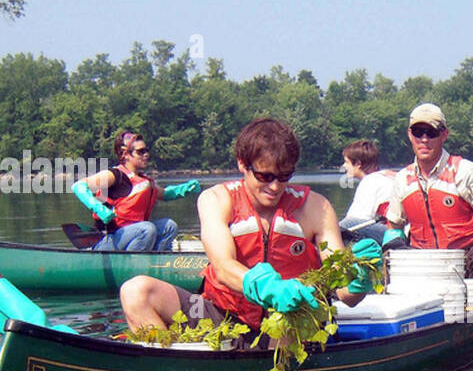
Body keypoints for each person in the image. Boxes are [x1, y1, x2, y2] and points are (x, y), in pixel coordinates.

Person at [120, 117, 363, 335]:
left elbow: (344, 293)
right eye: (265, 176)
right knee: (135, 292)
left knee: (288, 326)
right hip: (222, 315)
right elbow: (224, 267)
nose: (275, 186)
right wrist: (266, 287)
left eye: (284, 176)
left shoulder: (316, 207)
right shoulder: (216, 199)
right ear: (242, 165)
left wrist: (357, 281)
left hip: (290, 321)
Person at [382, 104, 473, 292]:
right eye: (418, 132)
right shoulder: (402, 180)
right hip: (424, 260)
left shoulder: (467, 172)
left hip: (467, 256)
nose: (424, 139)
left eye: (431, 133)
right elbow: (393, 226)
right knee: (394, 254)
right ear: (409, 134)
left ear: (444, 135)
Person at [72, 129, 199, 252]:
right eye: (140, 152)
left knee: (169, 226)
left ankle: (156, 264)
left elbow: (165, 194)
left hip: (133, 234)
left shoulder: (144, 181)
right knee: (147, 229)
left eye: (146, 151)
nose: (146, 155)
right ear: (125, 154)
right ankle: (133, 267)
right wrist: (98, 208)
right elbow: (79, 186)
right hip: (108, 240)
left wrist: (185, 188)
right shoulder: (114, 175)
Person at [339, 139, 396, 247]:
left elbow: (356, 220)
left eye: (347, 162)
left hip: (393, 234)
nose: (344, 166)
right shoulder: (385, 177)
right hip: (397, 231)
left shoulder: (370, 181)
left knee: (345, 225)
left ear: (358, 164)